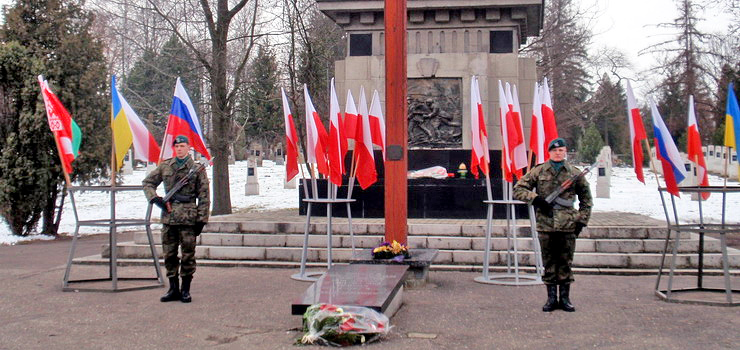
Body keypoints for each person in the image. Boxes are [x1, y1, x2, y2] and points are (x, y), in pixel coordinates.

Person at [513, 138, 592, 312]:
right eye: (555, 150)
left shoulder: (574, 173)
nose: (558, 153)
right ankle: (550, 299)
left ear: (565, 152)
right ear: (549, 152)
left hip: (568, 224)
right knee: (549, 263)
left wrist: (581, 220)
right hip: (546, 224)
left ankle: (565, 299)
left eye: (562, 150)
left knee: (565, 262)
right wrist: (536, 199)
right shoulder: (539, 171)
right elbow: (518, 189)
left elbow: (586, 200)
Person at [143, 135, 210, 303]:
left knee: (188, 255)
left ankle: (185, 290)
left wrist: (202, 219)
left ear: (188, 147)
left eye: (182, 146)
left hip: (188, 217)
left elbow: (204, 195)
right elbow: (147, 182)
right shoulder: (166, 166)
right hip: (169, 216)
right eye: (177, 146)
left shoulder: (197, 169)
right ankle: (173, 288)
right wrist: (155, 199)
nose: (179, 149)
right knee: (169, 254)